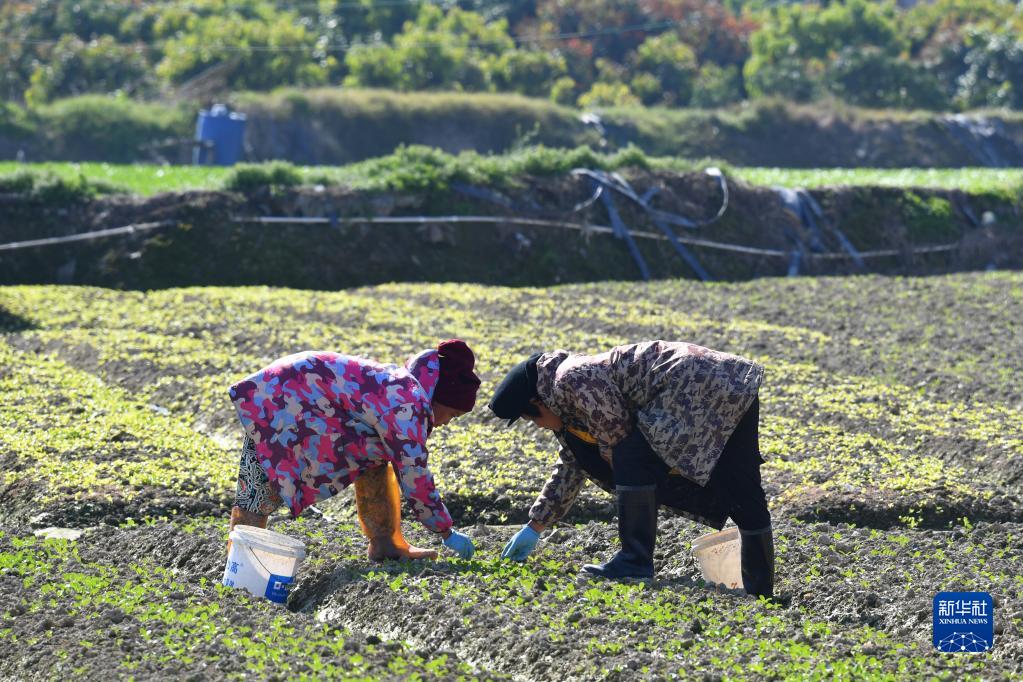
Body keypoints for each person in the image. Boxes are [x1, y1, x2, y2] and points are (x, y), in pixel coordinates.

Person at [489, 340, 774, 599]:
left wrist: (625, 468)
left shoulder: (571, 377)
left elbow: (618, 436)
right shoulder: (568, 401)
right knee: (740, 482)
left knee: (629, 451)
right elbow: (573, 464)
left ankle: (634, 561)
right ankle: (760, 591)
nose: (538, 426)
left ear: (538, 402)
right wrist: (534, 526)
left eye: (531, 419)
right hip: (736, 383)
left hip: (693, 383)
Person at [227, 339, 480, 560]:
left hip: (299, 387)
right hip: (284, 395)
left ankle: (385, 544)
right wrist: (446, 531)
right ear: (439, 396)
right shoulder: (407, 406)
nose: (447, 422)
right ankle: (240, 564)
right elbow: (415, 476)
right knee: (261, 482)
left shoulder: (405, 390)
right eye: (453, 414)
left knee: (374, 454)